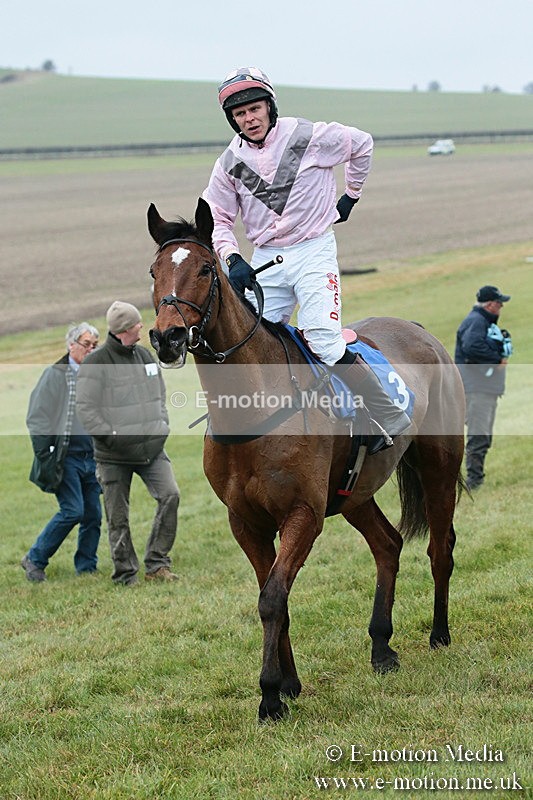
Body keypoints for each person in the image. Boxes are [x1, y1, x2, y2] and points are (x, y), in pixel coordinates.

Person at [203, 67, 410, 453]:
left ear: (269, 106)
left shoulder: (310, 135)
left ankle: (384, 411)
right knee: (247, 339)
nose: (249, 119)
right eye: (240, 114)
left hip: (314, 250)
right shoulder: (228, 164)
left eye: (254, 109)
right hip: (266, 259)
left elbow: (362, 144)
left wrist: (351, 194)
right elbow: (217, 217)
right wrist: (232, 259)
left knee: (323, 338)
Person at [76, 301, 179, 585]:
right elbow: (86, 409)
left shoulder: (145, 356)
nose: (141, 328)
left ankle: (157, 563)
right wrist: (112, 437)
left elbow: (159, 395)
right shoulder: (96, 363)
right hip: (113, 457)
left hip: (152, 449)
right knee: (118, 517)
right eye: (136, 325)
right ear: (123, 330)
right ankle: (125, 573)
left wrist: (161, 426)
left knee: (170, 496)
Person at [22, 322, 102, 582]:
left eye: (94, 345)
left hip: (91, 458)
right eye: (86, 344)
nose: (91, 350)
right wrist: (47, 454)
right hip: (64, 459)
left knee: (93, 515)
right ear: (71, 345)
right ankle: (35, 559)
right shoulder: (54, 374)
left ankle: (86, 567)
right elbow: (37, 418)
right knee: (72, 511)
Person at [455, 285, 513, 490]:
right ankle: (473, 481)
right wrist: (497, 359)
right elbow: (472, 346)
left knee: (482, 435)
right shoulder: (476, 321)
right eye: (499, 303)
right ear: (490, 305)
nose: (501, 307)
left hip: (482, 389)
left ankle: (475, 478)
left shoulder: (481, 321)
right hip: (477, 389)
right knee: (478, 435)